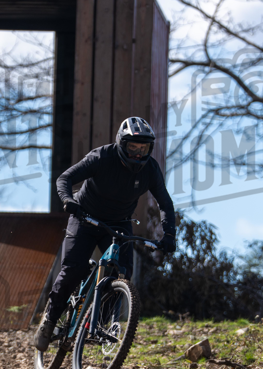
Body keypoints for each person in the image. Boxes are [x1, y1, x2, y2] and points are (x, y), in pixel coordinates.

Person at [34, 116, 176, 351]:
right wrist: (68, 201)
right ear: (121, 144)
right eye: (133, 147)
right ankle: (49, 320)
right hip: (85, 217)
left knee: (122, 275)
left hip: (119, 223)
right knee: (73, 269)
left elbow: (165, 204)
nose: (139, 153)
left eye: (144, 148)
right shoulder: (101, 157)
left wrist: (169, 235)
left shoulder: (150, 169)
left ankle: (98, 324)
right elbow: (65, 178)